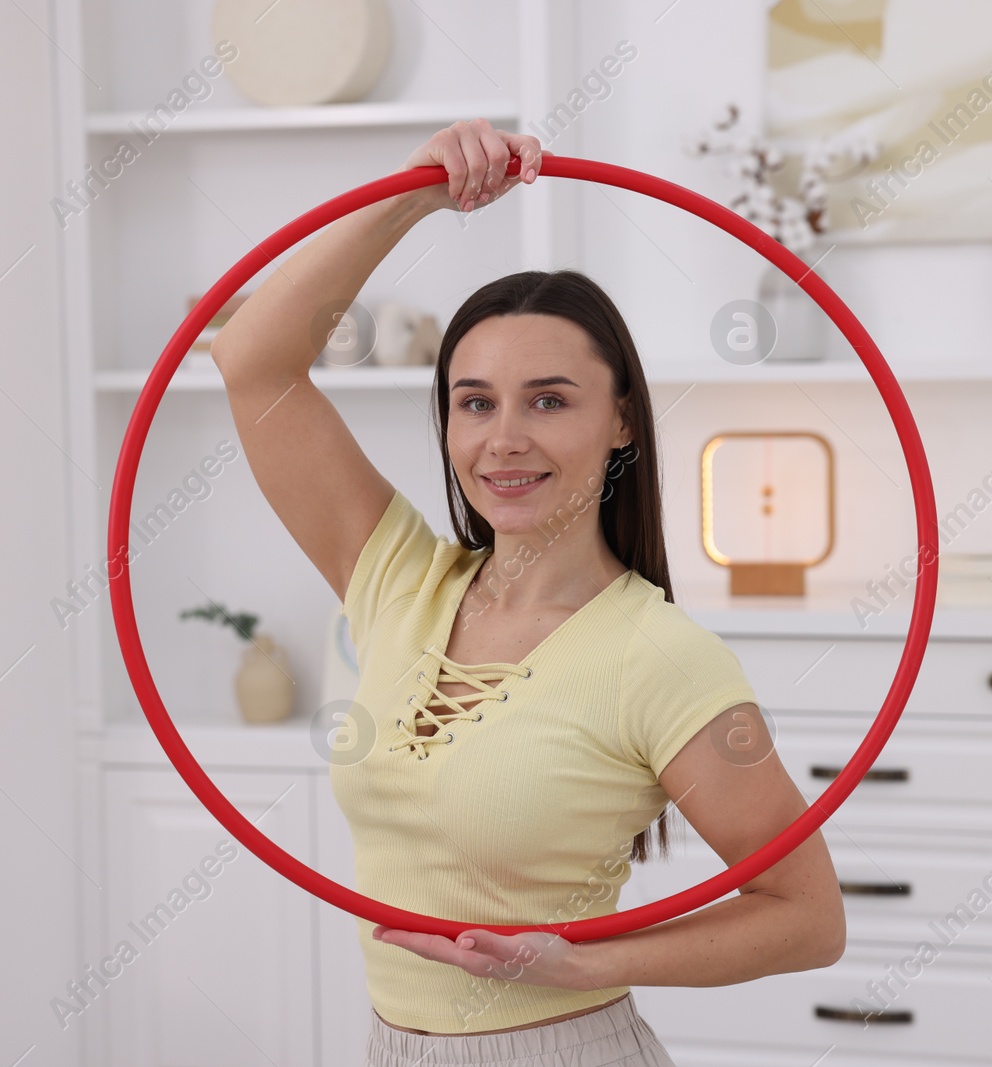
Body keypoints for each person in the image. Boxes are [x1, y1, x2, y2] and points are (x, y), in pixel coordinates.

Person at [211, 118, 845, 1067]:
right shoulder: (397, 580)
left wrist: (587, 964)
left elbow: (806, 917)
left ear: (621, 417)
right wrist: (417, 191)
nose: (503, 439)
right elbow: (250, 356)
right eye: (476, 402)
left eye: (549, 399)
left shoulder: (657, 654)